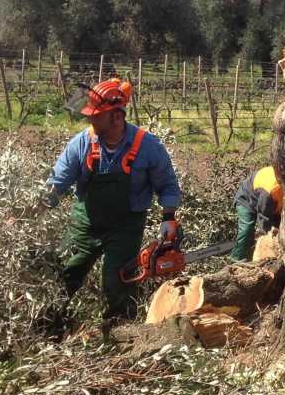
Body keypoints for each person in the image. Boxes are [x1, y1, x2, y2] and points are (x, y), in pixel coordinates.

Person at [44, 78, 182, 325]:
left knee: (117, 280)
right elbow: (57, 183)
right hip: (85, 224)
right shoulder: (82, 143)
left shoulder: (147, 145)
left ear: (116, 117)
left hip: (125, 226)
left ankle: (120, 331)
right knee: (66, 272)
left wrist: (168, 218)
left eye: (96, 116)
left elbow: (167, 184)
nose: (90, 120)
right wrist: (30, 209)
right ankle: (51, 325)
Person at [231, 165, 283, 261]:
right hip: (246, 199)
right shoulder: (271, 189)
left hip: (272, 204)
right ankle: (237, 259)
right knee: (247, 230)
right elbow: (264, 216)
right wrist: (267, 235)